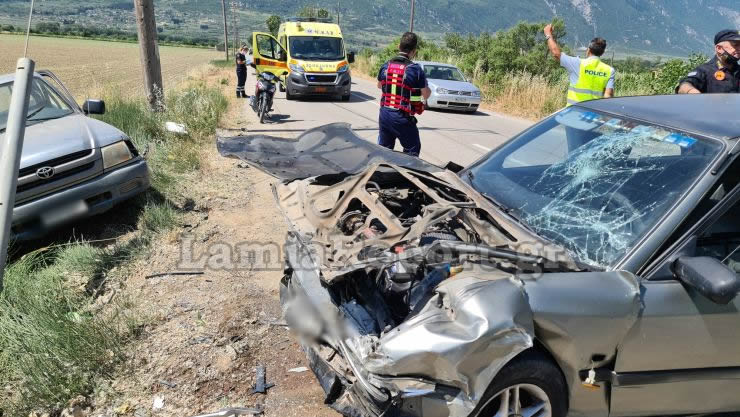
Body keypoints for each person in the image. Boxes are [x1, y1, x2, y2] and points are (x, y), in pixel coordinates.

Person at [376, 32, 431, 157]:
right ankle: (405, 173)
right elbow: (426, 94)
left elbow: (379, 85)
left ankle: (380, 173)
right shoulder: (415, 69)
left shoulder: (386, 66)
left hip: (384, 114)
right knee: (412, 148)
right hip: (402, 116)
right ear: (414, 51)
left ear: (398, 46)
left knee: (383, 150)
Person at [544, 24, 615, 106]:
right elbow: (608, 96)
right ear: (602, 53)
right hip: (593, 115)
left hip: (574, 113)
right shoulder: (609, 71)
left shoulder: (577, 63)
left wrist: (548, 34)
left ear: (588, 50)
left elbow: (556, 54)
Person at [676, 29, 740, 94]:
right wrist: (692, 92)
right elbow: (684, 85)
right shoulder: (704, 71)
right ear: (719, 48)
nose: (739, 48)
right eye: (735, 45)